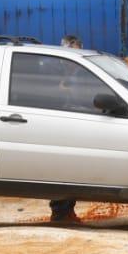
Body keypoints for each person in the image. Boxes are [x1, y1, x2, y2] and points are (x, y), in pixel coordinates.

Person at [50, 34, 83, 224]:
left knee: (73, 171)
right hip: (59, 127)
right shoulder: (54, 72)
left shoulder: (80, 72)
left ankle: (66, 210)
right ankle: (60, 213)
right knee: (60, 170)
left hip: (75, 126)